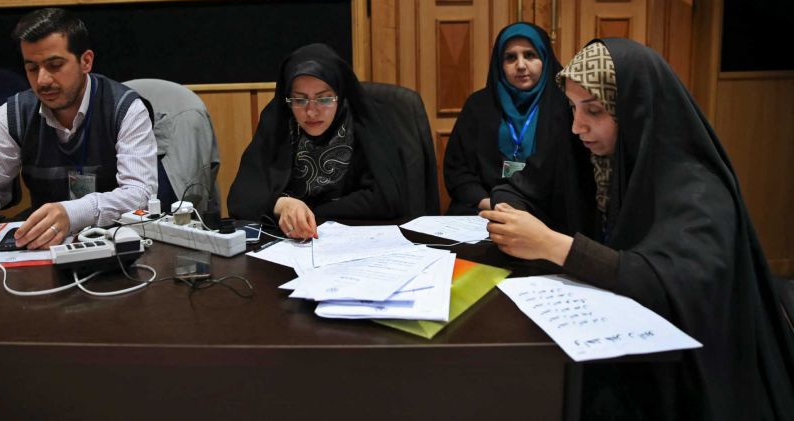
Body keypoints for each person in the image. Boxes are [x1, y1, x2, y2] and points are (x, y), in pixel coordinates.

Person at [484, 38, 794, 419]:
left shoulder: (696, 185)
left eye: (594, 110)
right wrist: (510, 214)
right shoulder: (584, 146)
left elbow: (673, 286)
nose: (578, 125)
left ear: (635, 111)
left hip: (683, 372)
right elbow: (518, 186)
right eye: (572, 107)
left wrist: (554, 245)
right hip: (600, 346)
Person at [0, 8, 158, 250]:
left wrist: (74, 212)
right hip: (41, 247)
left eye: (55, 65)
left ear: (86, 61)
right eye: (32, 68)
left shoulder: (125, 107)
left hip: (114, 244)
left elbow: (141, 193)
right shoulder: (14, 113)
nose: (43, 80)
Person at [227, 43, 407, 239]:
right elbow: (240, 199)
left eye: (324, 99)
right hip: (290, 248)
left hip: (359, 243)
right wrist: (283, 204)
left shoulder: (364, 126)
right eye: (300, 100)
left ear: (340, 93)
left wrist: (314, 212)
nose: (311, 112)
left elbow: (387, 199)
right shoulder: (279, 124)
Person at [443, 22, 580, 216]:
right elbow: (458, 171)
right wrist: (493, 205)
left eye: (530, 55)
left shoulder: (566, 106)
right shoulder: (478, 105)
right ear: (500, 64)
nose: (521, 65)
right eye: (510, 58)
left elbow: (572, 176)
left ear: (545, 59)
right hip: (485, 211)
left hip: (547, 215)